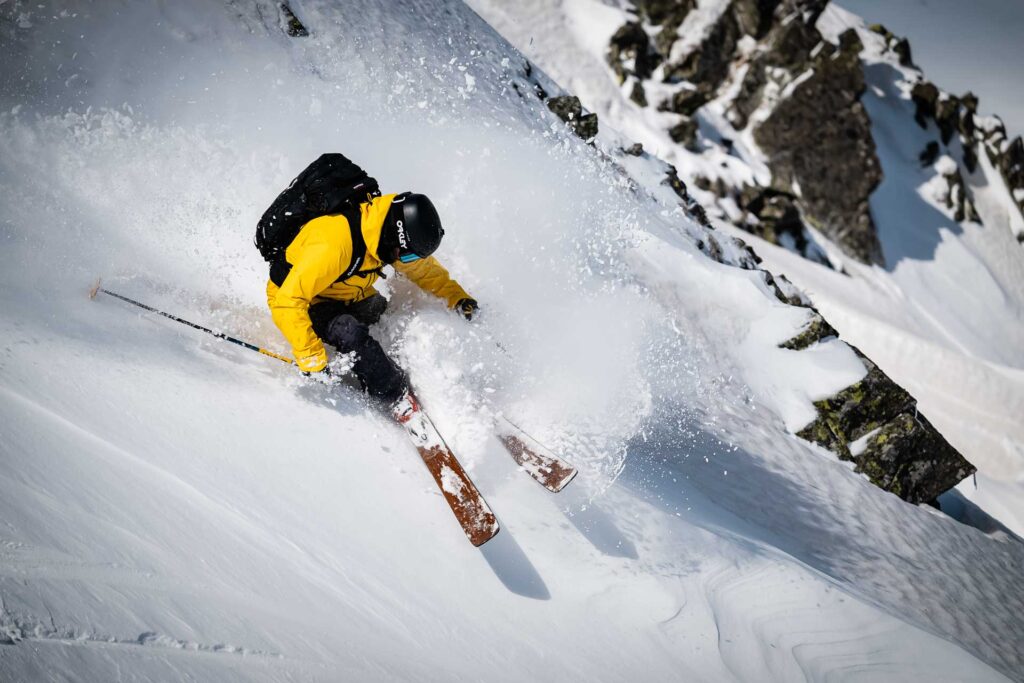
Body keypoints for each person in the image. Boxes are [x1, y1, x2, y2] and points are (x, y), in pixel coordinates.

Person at [265, 192, 478, 416]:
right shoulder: (333, 244)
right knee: (350, 333)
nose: (405, 262)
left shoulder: (384, 236)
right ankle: (394, 395)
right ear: (395, 237)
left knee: (384, 317)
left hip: (345, 292)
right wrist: (311, 358)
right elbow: (288, 301)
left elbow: (424, 271)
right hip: (306, 300)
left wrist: (458, 297)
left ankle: (386, 366)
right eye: (406, 257)